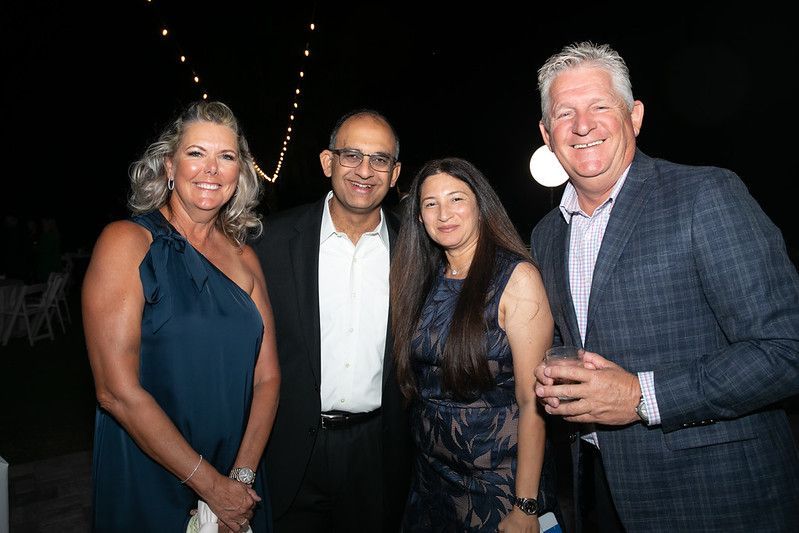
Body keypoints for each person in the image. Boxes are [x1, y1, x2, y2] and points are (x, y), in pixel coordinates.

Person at [530, 41, 799, 532]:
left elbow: (786, 349)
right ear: (548, 134)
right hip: (601, 497)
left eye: (599, 107)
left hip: (717, 499)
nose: (583, 126)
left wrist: (641, 396)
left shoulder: (705, 195)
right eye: (565, 113)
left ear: (634, 116)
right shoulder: (547, 235)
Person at [83, 100, 280, 532]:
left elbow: (267, 378)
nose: (211, 169)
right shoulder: (125, 243)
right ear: (169, 166)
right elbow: (115, 391)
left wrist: (240, 479)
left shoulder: (245, 258)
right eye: (196, 153)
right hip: (150, 472)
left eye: (226, 157)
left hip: (237, 470)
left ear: (240, 173)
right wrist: (212, 487)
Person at [253, 109, 413, 532]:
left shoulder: (417, 250)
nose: (365, 171)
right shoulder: (270, 242)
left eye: (380, 159)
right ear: (328, 162)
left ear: (395, 173)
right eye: (352, 155)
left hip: (377, 454)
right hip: (289, 450)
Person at [391, 157, 555, 532]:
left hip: (496, 484)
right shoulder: (422, 277)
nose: (444, 214)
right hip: (430, 479)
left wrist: (525, 505)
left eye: (456, 199)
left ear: (481, 206)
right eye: (430, 203)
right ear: (419, 217)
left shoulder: (516, 278)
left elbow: (532, 401)